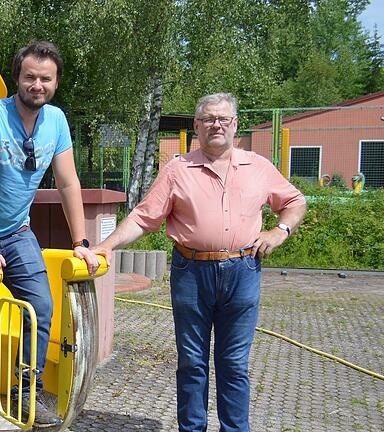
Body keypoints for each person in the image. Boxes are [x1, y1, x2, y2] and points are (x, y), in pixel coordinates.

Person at [93, 93, 306, 431]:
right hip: (191, 273)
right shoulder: (178, 169)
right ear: (197, 126)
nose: (215, 124)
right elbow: (144, 218)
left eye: (223, 118)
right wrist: (106, 245)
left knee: (234, 363)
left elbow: (295, 201)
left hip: (243, 271)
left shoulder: (259, 167)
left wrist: (279, 231)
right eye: (208, 119)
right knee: (192, 362)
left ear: (235, 125)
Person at [0, 40, 101, 428]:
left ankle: (25, 392)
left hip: (18, 231)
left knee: (40, 307)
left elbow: (69, 184)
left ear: (55, 83)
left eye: (45, 79)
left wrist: (80, 243)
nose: (37, 84)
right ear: (16, 77)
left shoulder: (57, 121)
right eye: (30, 76)